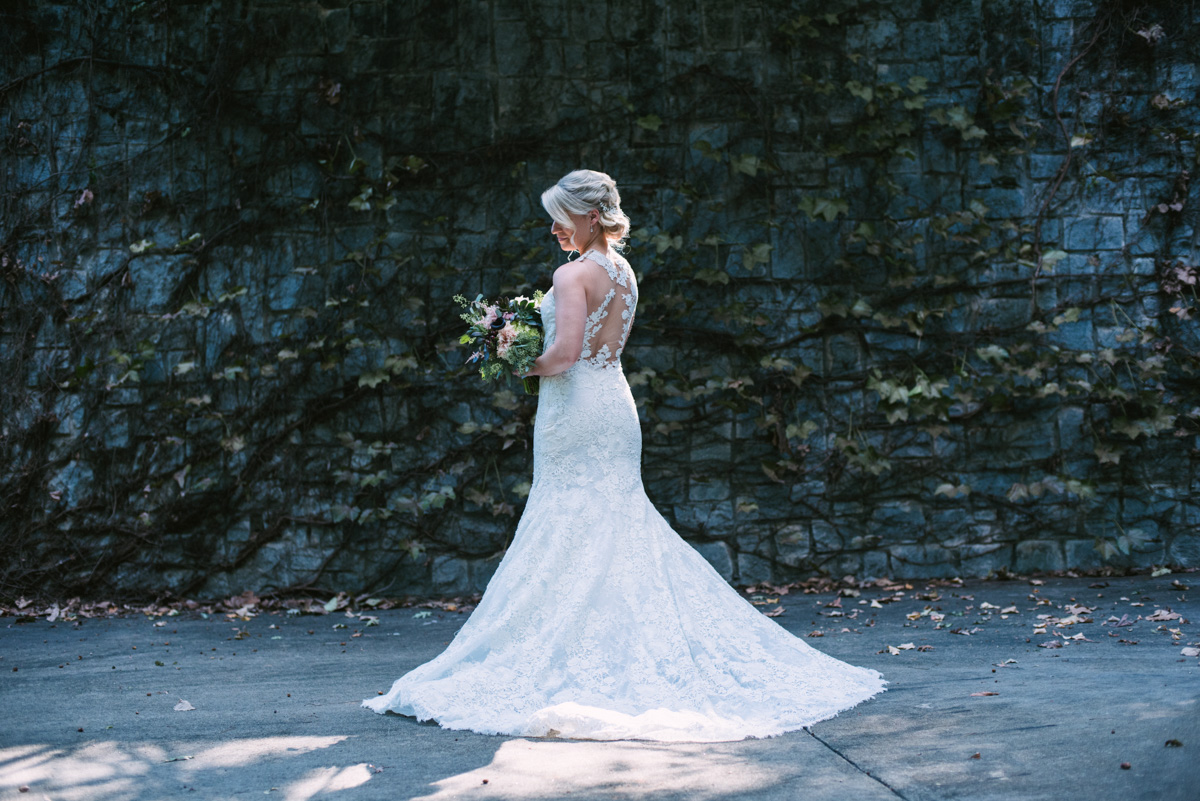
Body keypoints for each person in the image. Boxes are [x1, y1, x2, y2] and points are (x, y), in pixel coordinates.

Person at [362, 169, 886, 741]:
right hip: (613, 402)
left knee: (570, 518)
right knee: (613, 522)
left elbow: (562, 356)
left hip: (574, 411)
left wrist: (511, 357)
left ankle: (569, 652)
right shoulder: (624, 271)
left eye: (561, 218)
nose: (555, 230)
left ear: (589, 216)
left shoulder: (572, 275)